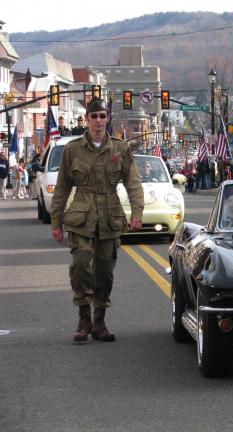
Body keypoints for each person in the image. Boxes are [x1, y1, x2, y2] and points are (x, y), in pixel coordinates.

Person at [51, 97, 144, 343]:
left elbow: (133, 183)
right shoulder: (73, 150)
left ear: (107, 118)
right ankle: (83, 318)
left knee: (105, 271)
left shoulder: (119, 148)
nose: (99, 120)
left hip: (110, 215)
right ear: (87, 120)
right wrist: (56, 222)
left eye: (102, 116)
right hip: (81, 215)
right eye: (94, 116)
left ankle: (99, 321)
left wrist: (137, 213)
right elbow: (61, 188)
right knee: (80, 265)